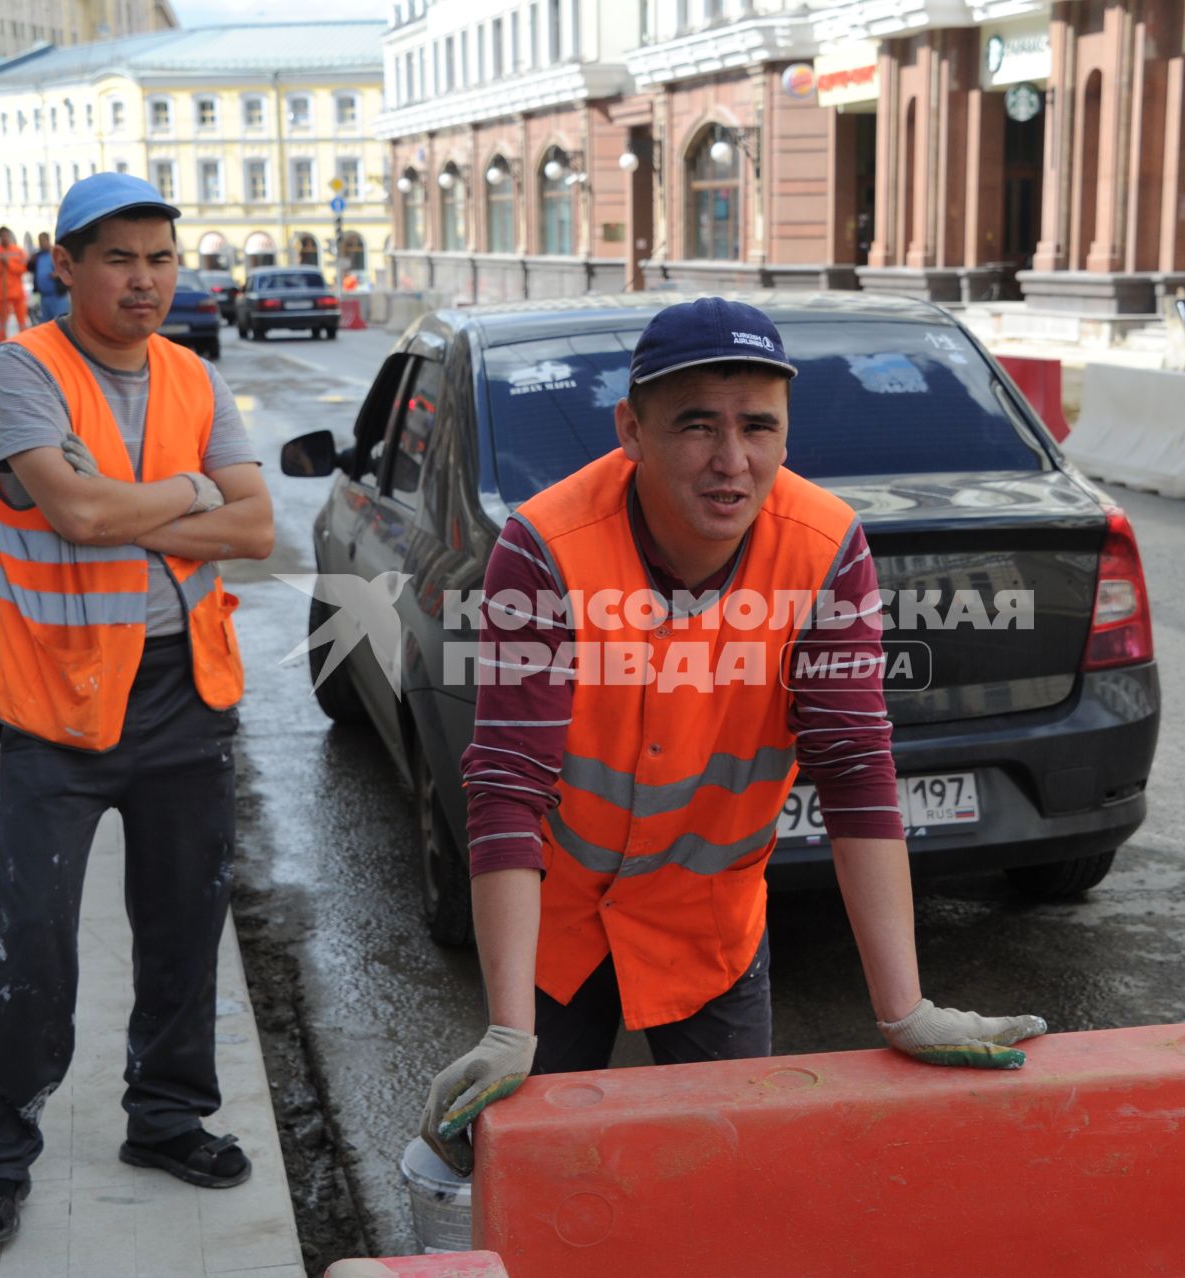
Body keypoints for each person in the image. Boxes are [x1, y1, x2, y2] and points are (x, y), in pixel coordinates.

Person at [419, 298, 1048, 1176]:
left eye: (759, 426)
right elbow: (509, 783)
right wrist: (506, 1027)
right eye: (696, 426)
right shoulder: (545, 549)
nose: (731, 461)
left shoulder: (826, 548)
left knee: (736, 1175)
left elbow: (854, 765)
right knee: (524, 1173)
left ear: (788, 434)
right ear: (630, 429)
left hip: (706, 926)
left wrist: (905, 1008)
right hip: (556, 927)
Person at [0, 171, 274, 1254]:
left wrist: (161, 503)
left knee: (184, 924)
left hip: (189, 695)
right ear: (68, 265)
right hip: (57, 707)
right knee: (33, 941)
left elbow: (260, 528)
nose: (145, 279)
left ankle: (168, 1117)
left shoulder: (192, 375)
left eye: (161, 258)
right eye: (120, 258)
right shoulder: (19, 372)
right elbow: (77, 513)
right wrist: (190, 493)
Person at [0, 227, 30, 340]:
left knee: (22, 321)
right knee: (2, 322)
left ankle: (25, 344)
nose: (5, 238)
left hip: (17, 293)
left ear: (10, 236)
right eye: (2, 236)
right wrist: (1, 265)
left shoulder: (18, 251)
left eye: (7, 235)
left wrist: (9, 263)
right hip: (2, 293)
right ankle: (2, 343)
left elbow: (23, 269)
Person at [31, 230, 69, 321]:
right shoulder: (38, 256)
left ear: (48, 240)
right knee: (47, 325)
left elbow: (68, 267)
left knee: (60, 323)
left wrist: (59, 273)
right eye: (39, 241)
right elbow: (29, 268)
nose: (41, 243)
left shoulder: (56, 254)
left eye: (42, 241)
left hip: (57, 296)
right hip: (44, 297)